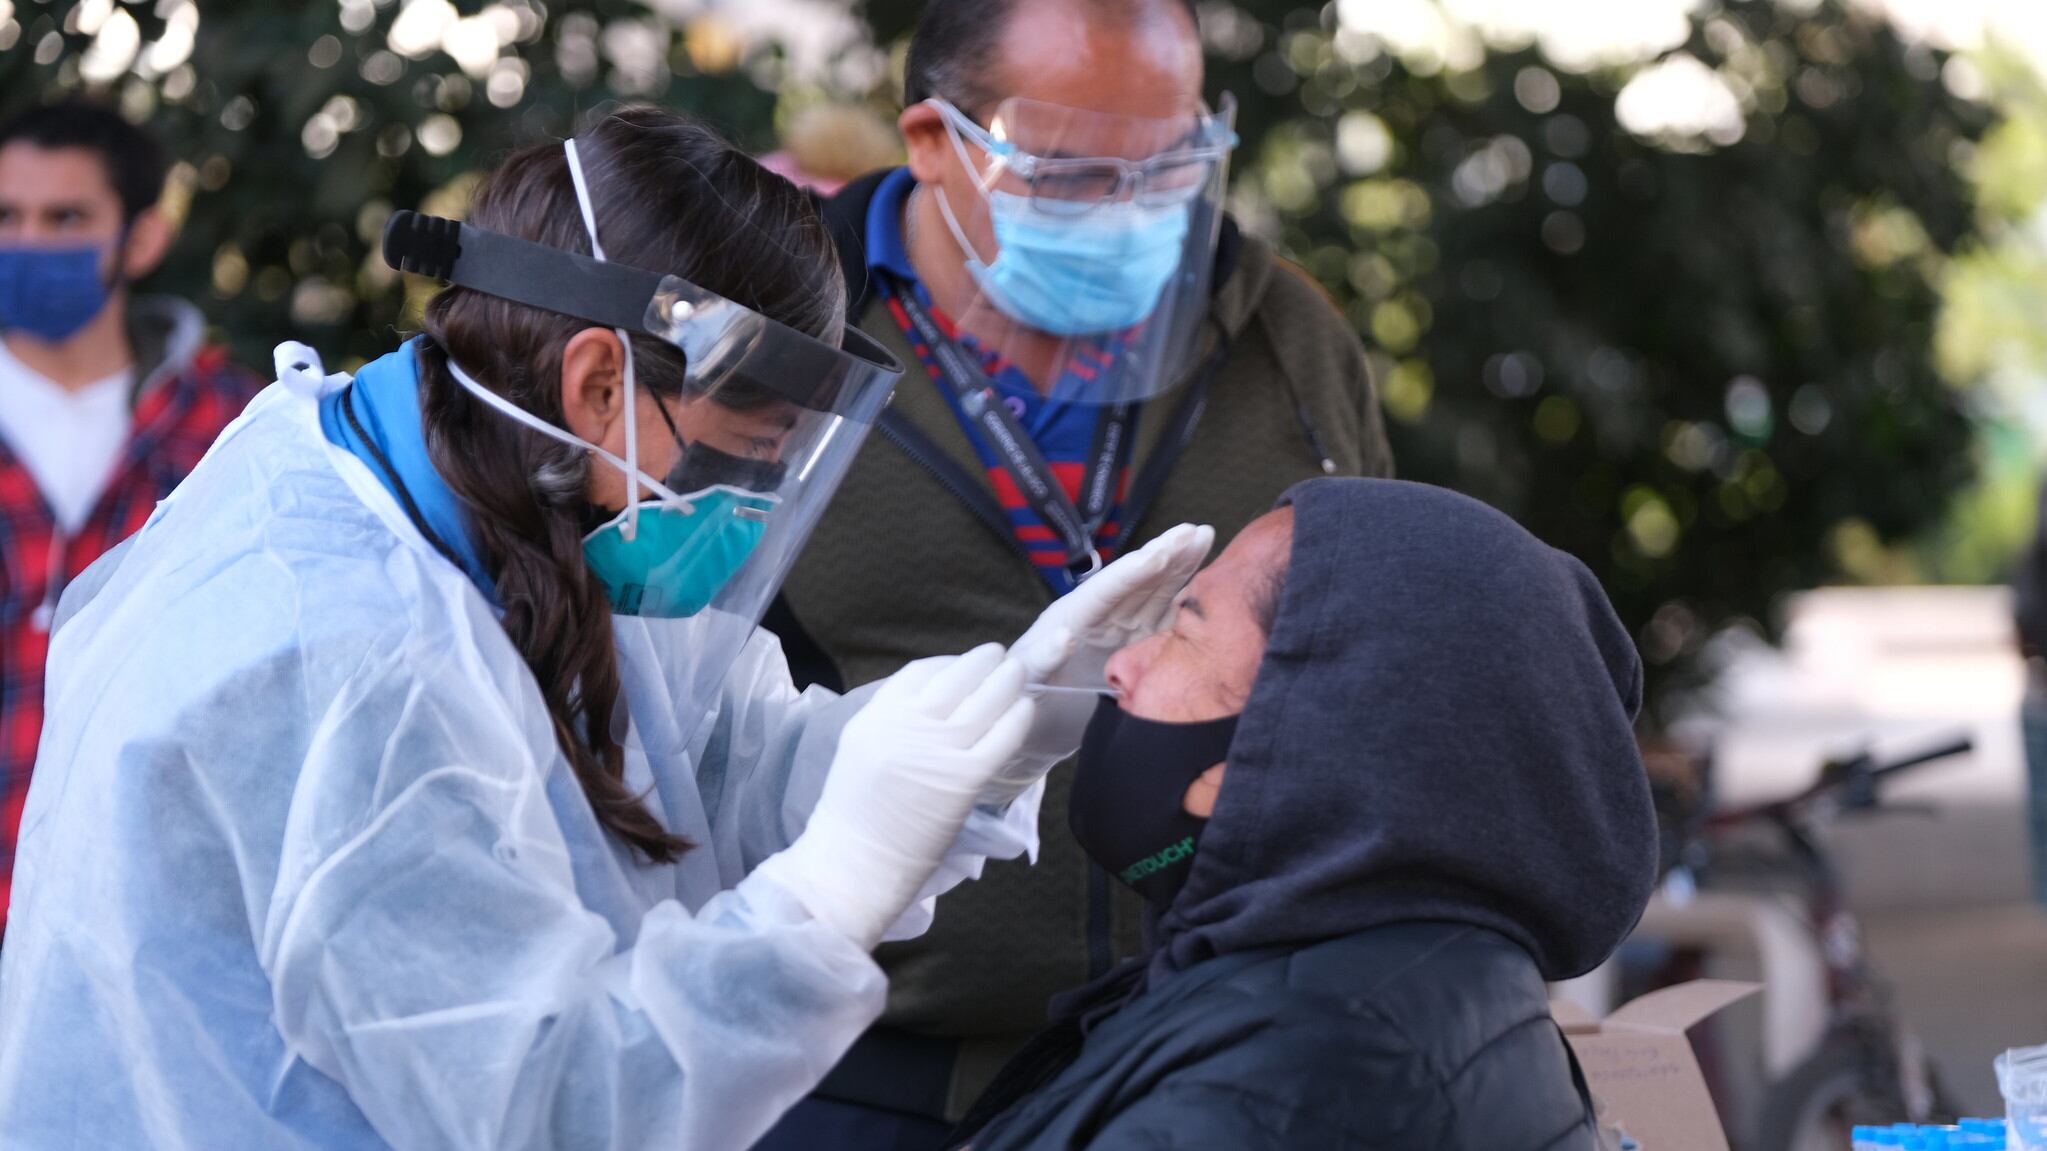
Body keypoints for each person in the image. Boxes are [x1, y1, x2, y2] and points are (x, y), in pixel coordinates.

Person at [0, 107, 1213, 1151]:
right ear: (596, 383)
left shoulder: (513, 488)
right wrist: (826, 895)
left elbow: (708, 769)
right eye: (745, 463)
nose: (743, 514)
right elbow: (561, 1108)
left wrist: (1007, 720)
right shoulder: (346, 656)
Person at [760, 0, 1395, 1140]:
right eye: (1069, 176)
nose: (1130, 212)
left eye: (1171, 168)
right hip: (850, 1063)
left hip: (1211, 1050)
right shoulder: (783, 344)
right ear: (931, 141)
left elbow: (1379, 658)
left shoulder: (1285, 337)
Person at [951, 478, 1660, 1150]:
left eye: (1184, 631)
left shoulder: (1292, 1077)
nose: (1120, 666)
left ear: (1325, 728)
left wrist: (835, 927)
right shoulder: (1421, 992)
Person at [0, 100, 261, 928]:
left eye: (66, 217)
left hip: (149, 933)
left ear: (140, 238)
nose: (29, 241)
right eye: (6, 216)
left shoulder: (234, 430)